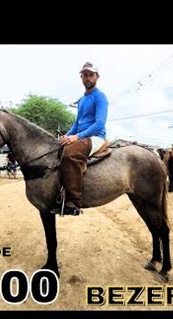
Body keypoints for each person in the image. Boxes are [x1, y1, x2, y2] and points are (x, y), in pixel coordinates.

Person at [52, 62, 108, 216]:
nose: (87, 77)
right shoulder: (82, 100)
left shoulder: (100, 96)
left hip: (96, 137)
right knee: (57, 149)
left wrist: (76, 137)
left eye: (91, 74)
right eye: (85, 75)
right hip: (81, 137)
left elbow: (99, 124)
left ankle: (74, 202)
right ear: (81, 77)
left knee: (70, 154)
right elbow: (77, 124)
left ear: (97, 77)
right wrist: (66, 136)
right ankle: (58, 193)